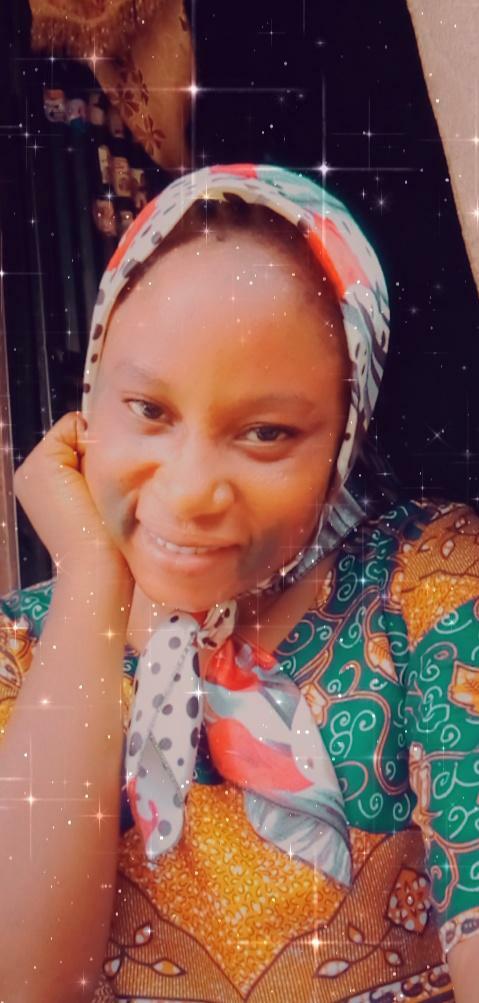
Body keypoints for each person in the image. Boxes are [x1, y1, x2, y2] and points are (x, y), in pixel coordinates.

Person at [1, 164, 478, 1003]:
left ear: (343, 437)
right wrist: (89, 585)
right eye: (148, 409)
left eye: (265, 432)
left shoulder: (425, 587)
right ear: (89, 400)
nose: (190, 491)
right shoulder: (24, 649)